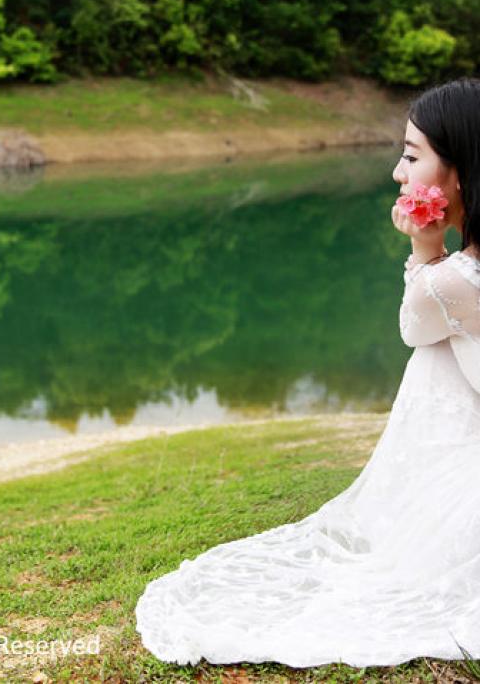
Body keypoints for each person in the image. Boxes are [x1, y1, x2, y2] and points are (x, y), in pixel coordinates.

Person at [134, 77, 480, 669]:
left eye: (411, 154)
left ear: (459, 171)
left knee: (434, 347)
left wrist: (426, 247)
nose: (399, 172)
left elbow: (415, 325)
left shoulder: (460, 280)